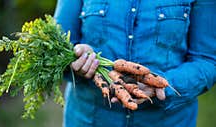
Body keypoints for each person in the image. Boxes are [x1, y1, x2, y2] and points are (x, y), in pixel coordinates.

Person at [54, 0, 216, 127]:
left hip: (168, 121)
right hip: (90, 119)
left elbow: (207, 60)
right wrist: (78, 58)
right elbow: (57, 47)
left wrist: (163, 84)